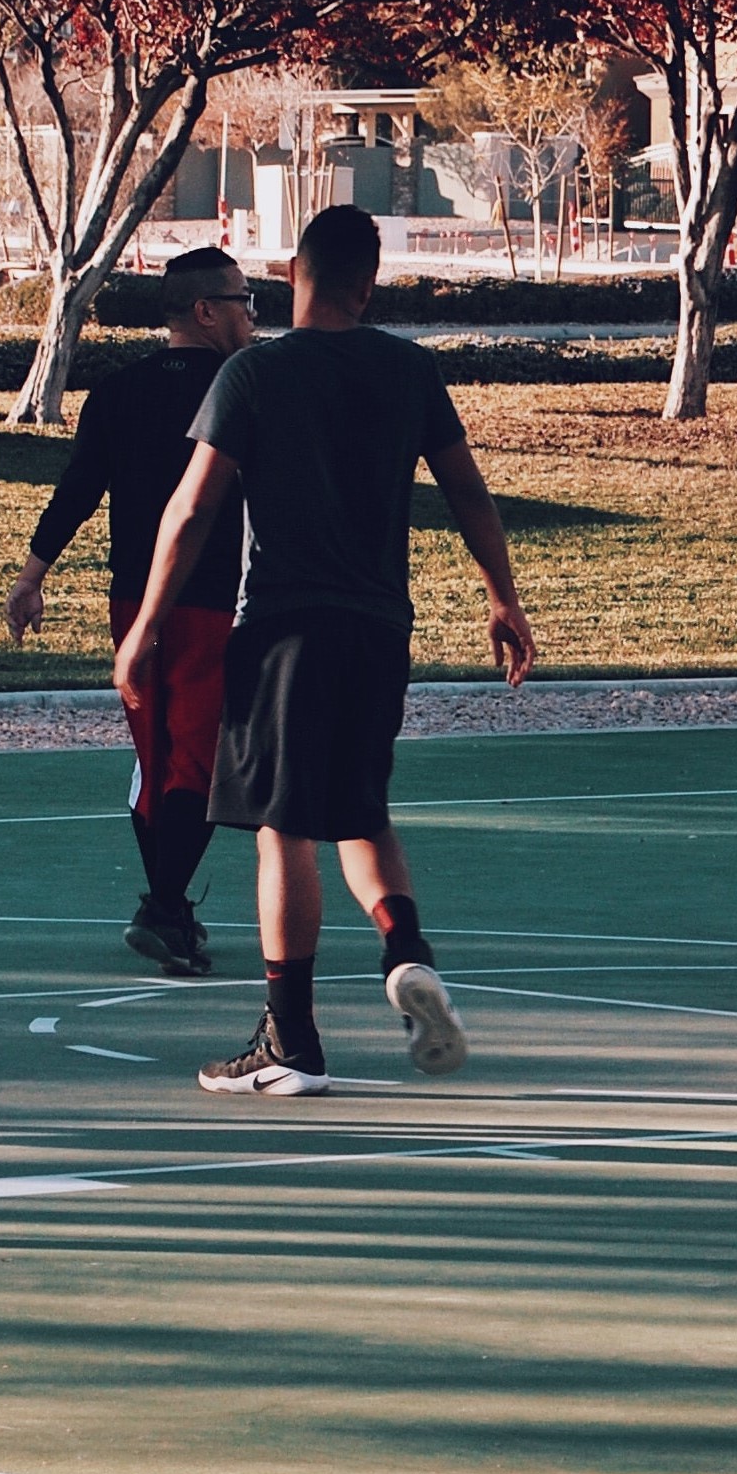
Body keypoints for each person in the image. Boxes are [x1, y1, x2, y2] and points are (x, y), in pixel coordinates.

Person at [120, 203, 538, 1095]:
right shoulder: (410, 371)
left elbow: (191, 509)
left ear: (292, 277)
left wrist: (149, 621)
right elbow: (469, 492)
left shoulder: (254, 374)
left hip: (281, 627)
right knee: (362, 809)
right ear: (368, 286)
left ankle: (292, 1038)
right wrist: (503, 597)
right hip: (380, 628)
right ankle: (406, 949)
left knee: (283, 829)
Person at [6, 246, 256, 974]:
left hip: (131, 601)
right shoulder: (248, 388)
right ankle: (163, 909)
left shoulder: (116, 392)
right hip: (214, 598)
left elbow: (77, 491)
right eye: (243, 300)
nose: (251, 315)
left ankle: (170, 910)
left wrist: (31, 578)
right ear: (206, 310)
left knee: (154, 758)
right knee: (196, 765)